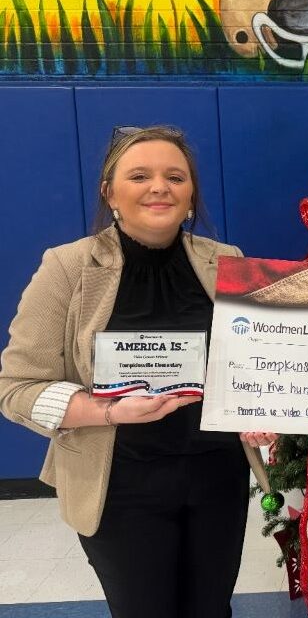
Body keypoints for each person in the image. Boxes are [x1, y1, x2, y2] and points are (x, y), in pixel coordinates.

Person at [0, 126, 277, 618]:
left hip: (218, 479)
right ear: (109, 193)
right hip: (119, 487)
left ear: (191, 195)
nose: (159, 187)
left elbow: (255, 367)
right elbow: (16, 389)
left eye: (175, 176)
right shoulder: (66, 268)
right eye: (140, 175)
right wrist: (110, 411)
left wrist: (263, 408)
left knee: (210, 610)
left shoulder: (227, 262)